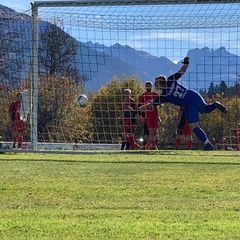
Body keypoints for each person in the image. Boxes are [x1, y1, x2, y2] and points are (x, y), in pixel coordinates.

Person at [139, 56, 227, 150]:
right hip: (193, 94)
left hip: (189, 104)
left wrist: (138, 109)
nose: (155, 85)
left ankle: (208, 145)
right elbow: (182, 71)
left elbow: (150, 105)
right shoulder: (171, 79)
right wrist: (186, 63)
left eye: (156, 83)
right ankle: (215, 104)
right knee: (205, 109)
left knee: (195, 127)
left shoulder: (164, 96)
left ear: (160, 84)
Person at [138, 81, 160, 150]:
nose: (148, 87)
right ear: (145, 87)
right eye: (147, 86)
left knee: (155, 132)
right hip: (148, 116)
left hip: (155, 116)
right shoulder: (142, 96)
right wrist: (141, 115)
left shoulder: (155, 94)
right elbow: (139, 106)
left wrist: (160, 105)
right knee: (151, 132)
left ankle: (148, 145)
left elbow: (159, 102)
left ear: (151, 87)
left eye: (150, 86)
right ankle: (154, 147)